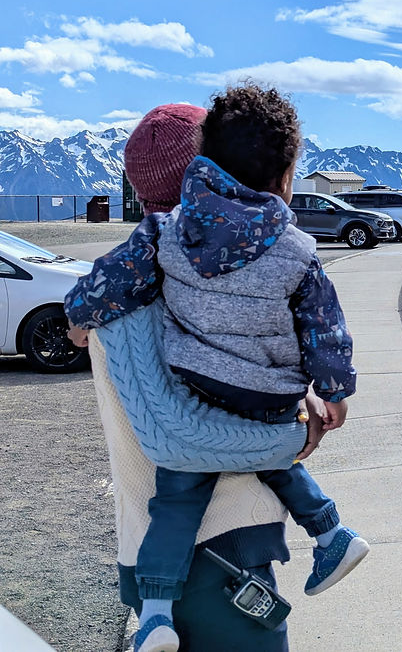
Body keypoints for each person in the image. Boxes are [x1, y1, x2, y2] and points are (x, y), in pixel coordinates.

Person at [67, 91, 368, 652]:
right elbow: (189, 435)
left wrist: (76, 315)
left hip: (151, 542)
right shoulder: (172, 283)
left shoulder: (133, 275)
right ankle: (329, 530)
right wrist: (299, 425)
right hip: (224, 547)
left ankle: (159, 614)